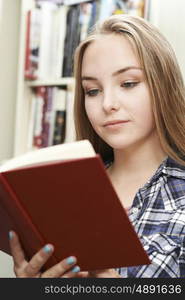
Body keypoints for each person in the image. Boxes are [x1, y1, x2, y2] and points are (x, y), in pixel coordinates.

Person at [9, 14, 185, 278]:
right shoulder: (62, 195)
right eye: (92, 90)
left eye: (128, 84)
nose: (107, 104)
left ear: (163, 86)